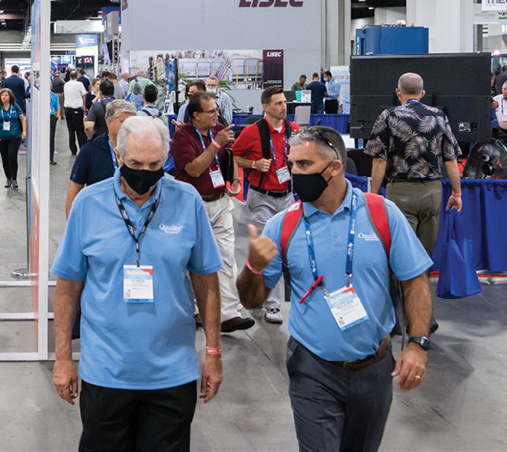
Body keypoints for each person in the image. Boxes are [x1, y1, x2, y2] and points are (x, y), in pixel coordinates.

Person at [237, 126, 434, 452]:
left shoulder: (381, 214)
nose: (292, 173)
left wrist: (417, 344)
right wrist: (253, 267)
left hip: (375, 367)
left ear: (334, 168)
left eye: (303, 165)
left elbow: (415, 281)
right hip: (311, 369)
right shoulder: (283, 225)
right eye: (291, 164)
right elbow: (252, 300)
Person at [52, 116, 223, 451]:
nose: (145, 172)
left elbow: (207, 281)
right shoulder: (89, 204)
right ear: (118, 157)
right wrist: (62, 359)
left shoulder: (187, 201)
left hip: (173, 374)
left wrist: (214, 352)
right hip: (106, 373)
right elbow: (68, 287)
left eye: (155, 164)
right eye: (135, 163)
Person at [171, 92, 254, 333]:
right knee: (192, 260)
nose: (216, 114)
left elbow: (232, 155)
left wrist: (235, 180)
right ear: (196, 115)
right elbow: (194, 170)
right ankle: (195, 310)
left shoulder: (218, 129)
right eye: (211, 111)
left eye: (216, 109)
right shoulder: (182, 138)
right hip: (193, 205)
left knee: (226, 257)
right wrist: (215, 143)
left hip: (220, 202)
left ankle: (229, 313)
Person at [365, 72, 462, 260]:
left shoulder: (388, 116)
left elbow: (378, 160)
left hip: (400, 192)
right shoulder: (439, 117)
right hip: (432, 192)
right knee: (425, 254)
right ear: (422, 93)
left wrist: (374, 194)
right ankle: (422, 287)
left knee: (403, 254)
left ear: (398, 92)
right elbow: (451, 159)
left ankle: (403, 289)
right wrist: (456, 194)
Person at [229, 87, 299, 324]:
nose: (283, 106)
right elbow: (232, 156)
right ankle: (272, 304)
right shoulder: (252, 132)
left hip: (287, 197)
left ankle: (272, 297)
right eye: (278, 103)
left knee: (289, 248)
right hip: (261, 199)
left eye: (284, 102)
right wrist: (253, 163)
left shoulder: (294, 130)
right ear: (266, 107)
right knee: (269, 250)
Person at [66, 100, 137, 217]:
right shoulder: (89, 151)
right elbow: (74, 189)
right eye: (124, 122)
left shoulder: (139, 150)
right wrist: (71, 229)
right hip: (99, 220)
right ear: (109, 122)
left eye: (133, 122)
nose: (130, 127)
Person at [0, 88, 26, 189]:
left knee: (12, 156)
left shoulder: (15, 106)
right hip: (1, 136)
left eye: (6, 95)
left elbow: (22, 119)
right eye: (2, 95)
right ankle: (8, 178)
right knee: (4, 158)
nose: (3, 97)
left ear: (10, 97)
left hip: (15, 136)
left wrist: (24, 131)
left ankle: (14, 179)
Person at [62, 69, 88, 154]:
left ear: (69, 77)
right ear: (77, 76)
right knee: (80, 130)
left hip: (67, 110)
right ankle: (82, 148)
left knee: (71, 131)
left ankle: (73, 150)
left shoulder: (66, 85)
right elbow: (84, 95)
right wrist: (84, 107)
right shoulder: (79, 84)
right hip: (76, 109)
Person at [49, 86, 60, 165]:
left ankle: (51, 158)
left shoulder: (54, 96)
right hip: (42, 117)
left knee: (51, 137)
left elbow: (58, 108)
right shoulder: (39, 95)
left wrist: (56, 117)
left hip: (51, 117)